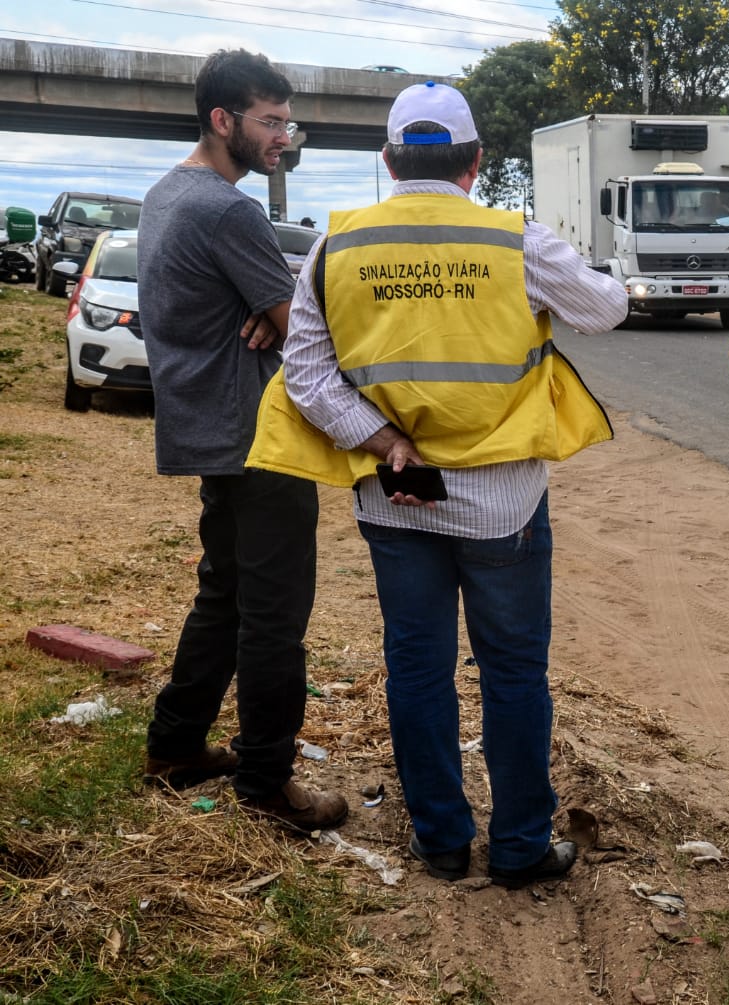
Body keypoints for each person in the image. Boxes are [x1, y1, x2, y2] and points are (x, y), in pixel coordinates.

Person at [246, 81, 628, 888]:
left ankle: (441, 841)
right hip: (504, 507)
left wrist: (385, 440)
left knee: (418, 670)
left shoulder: (336, 246)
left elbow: (307, 376)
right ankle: (521, 847)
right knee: (514, 675)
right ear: (476, 161)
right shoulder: (512, 239)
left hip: (396, 497)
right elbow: (605, 310)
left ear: (387, 161)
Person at [139, 48, 347, 834]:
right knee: (274, 616)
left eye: (286, 122)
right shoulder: (229, 210)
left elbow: (278, 305)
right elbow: (307, 333)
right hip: (258, 441)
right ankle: (266, 784)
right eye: (269, 121)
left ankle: (176, 744)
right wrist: (284, 310)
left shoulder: (168, 194)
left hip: (205, 429)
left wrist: (276, 304)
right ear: (222, 119)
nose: (282, 137)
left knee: (222, 595)